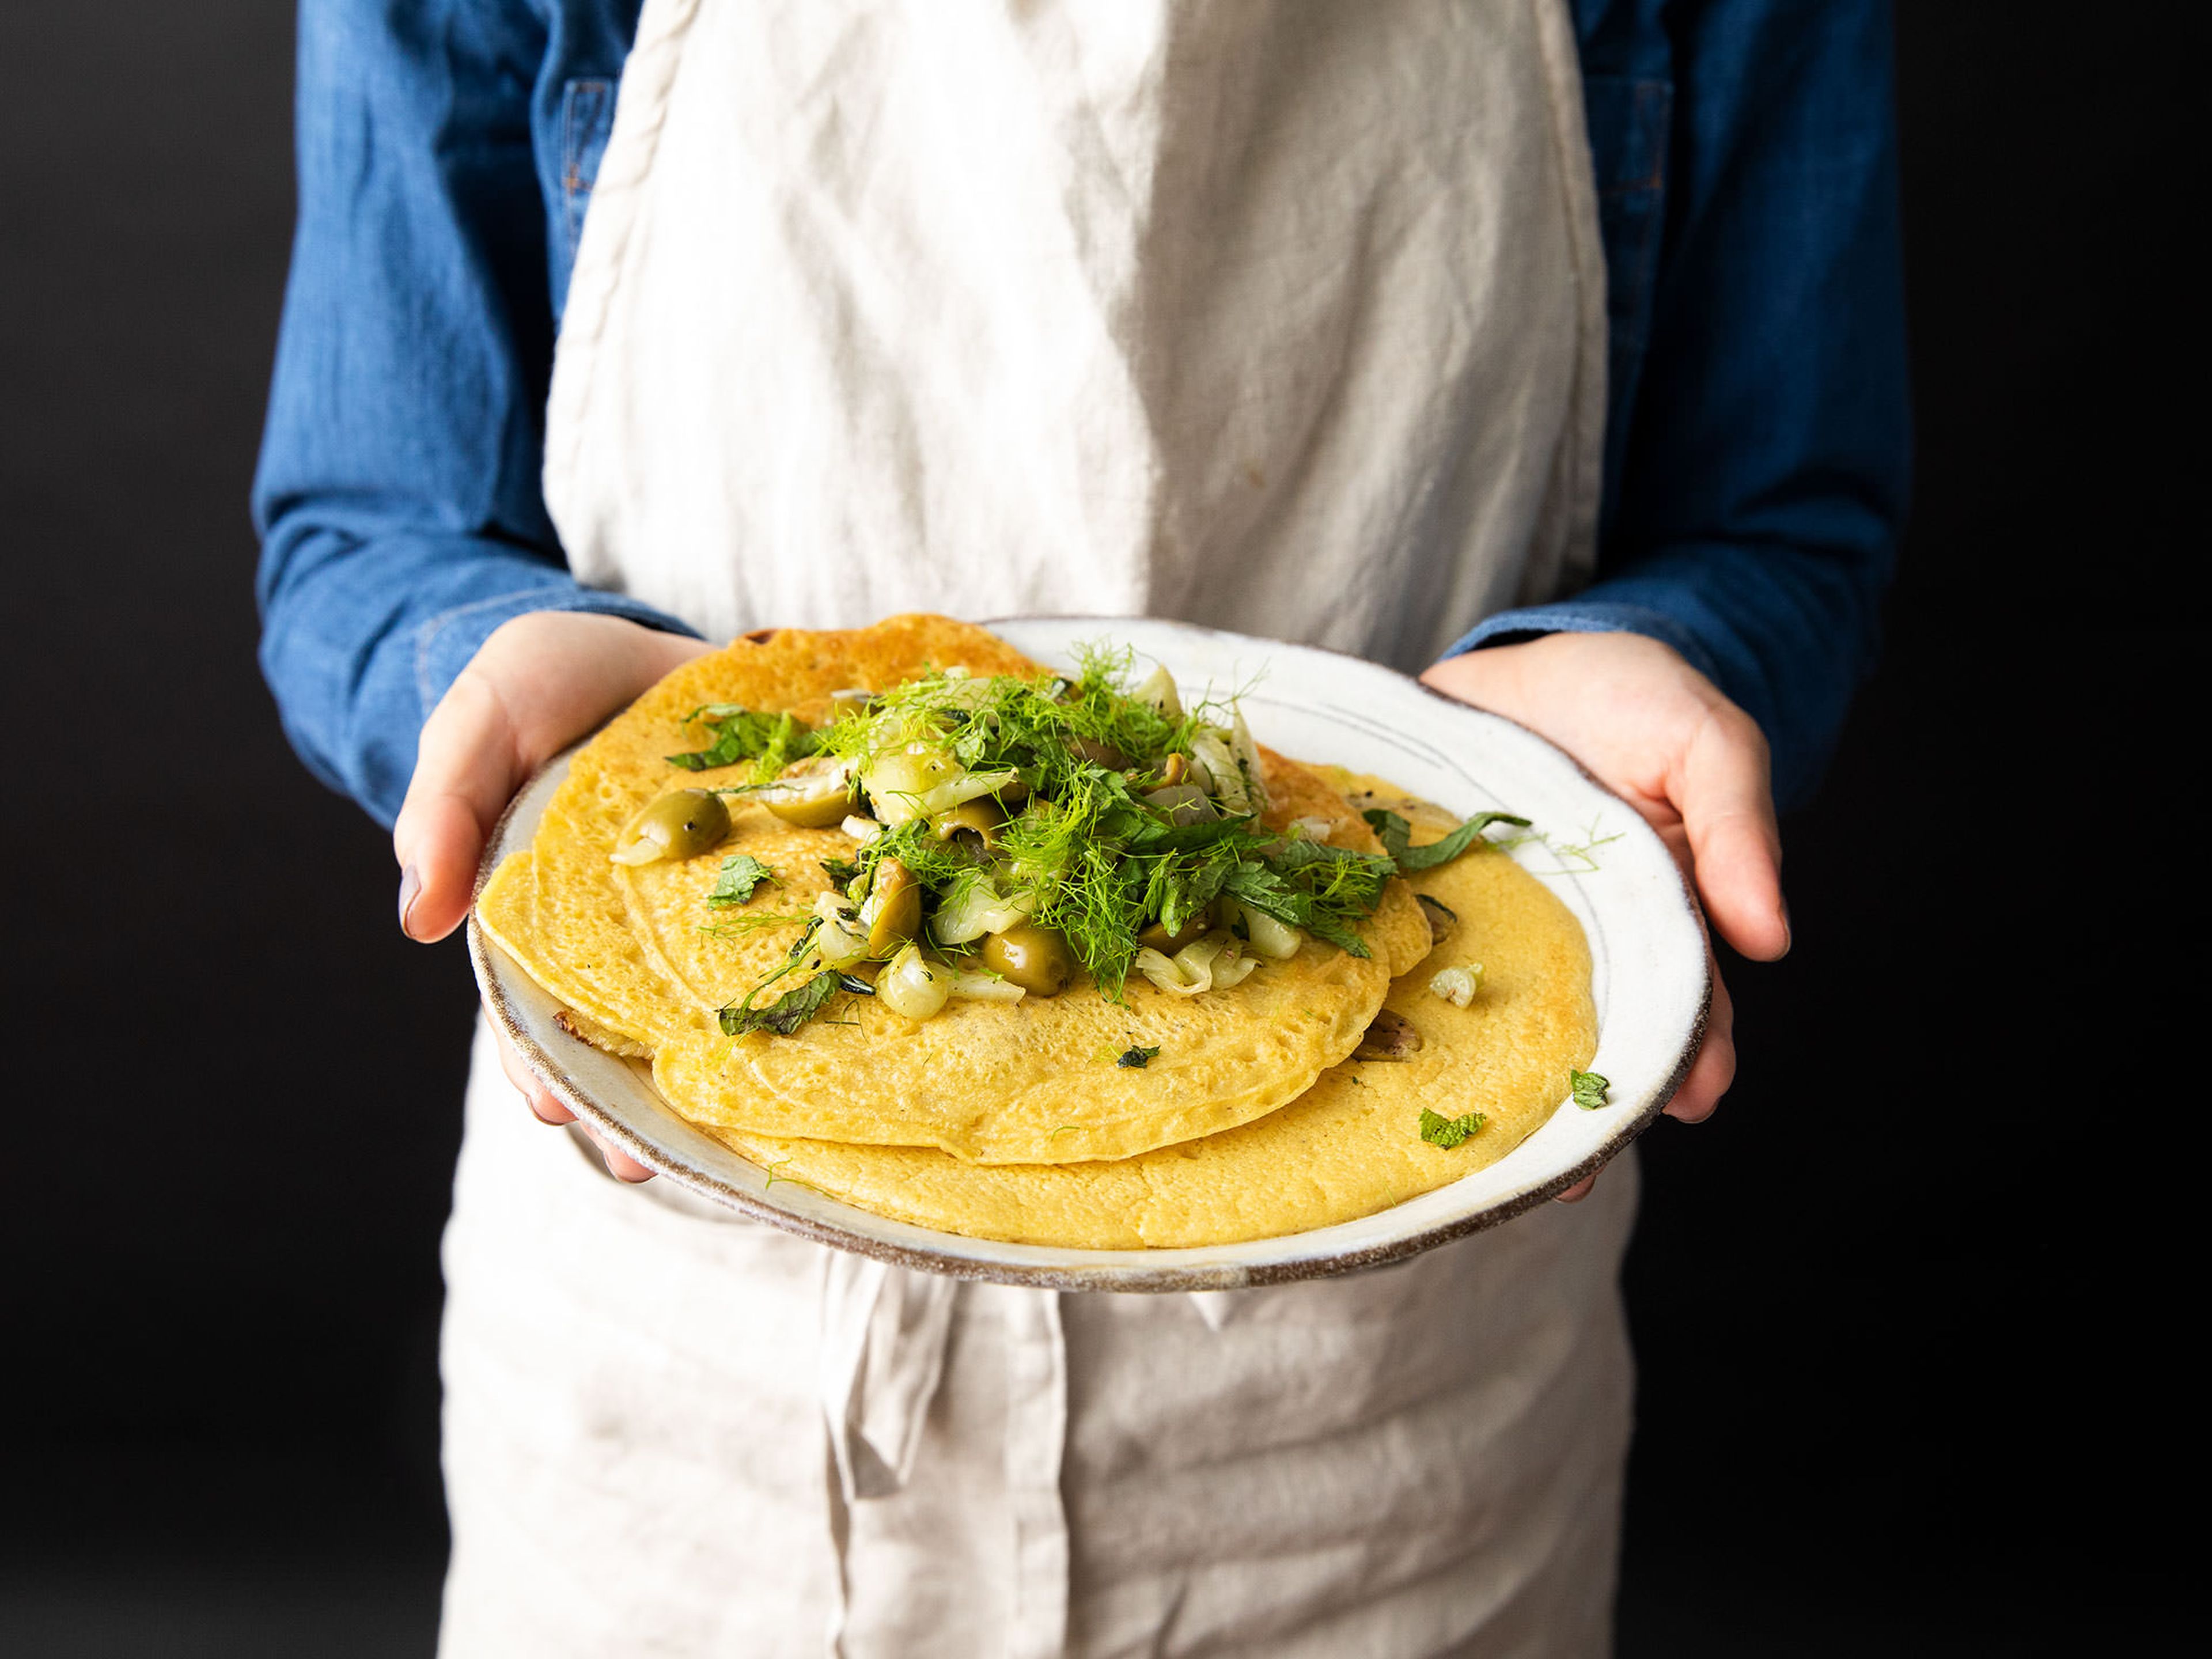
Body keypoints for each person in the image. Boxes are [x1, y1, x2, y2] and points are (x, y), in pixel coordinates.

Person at [255, 1, 1906, 1653]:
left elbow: (1782, 517)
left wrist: (1656, 682)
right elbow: (367, 522)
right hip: (689, 1396)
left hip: (1388, 1426)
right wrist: (504, 696)